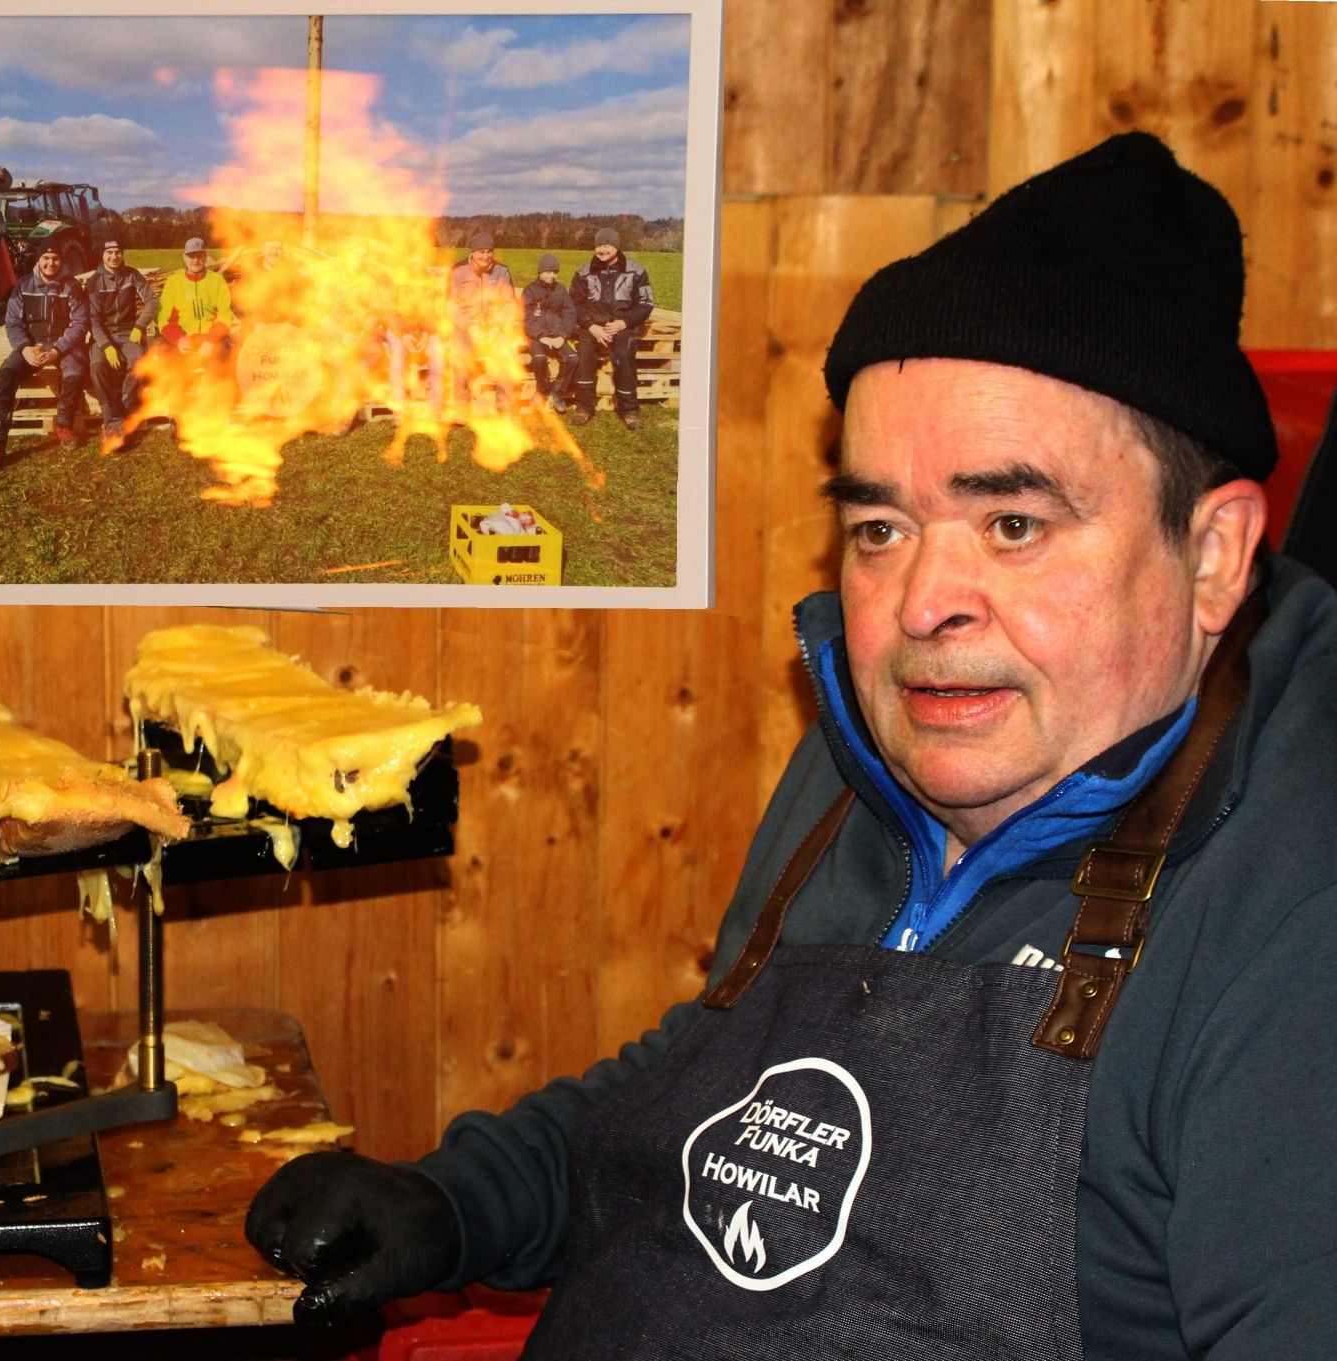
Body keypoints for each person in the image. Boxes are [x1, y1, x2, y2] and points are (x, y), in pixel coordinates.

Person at [245, 133, 1337, 1359]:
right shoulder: (879, 756)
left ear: (1212, 556)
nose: (922, 606)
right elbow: (717, 1087)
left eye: (1013, 523)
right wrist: (459, 1201)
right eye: (881, 528)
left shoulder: (1294, 918)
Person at [0, 238, 88, 465]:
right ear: (38, 260)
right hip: (31, 346)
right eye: (46, 258)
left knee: (74, 373)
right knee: (5, 377)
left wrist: (57, 350)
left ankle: (63, 426)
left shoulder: (72, 286)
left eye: (55, 258)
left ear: (62, 261)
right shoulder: (23, 285)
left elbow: (80, 323)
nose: (51, 263)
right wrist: (24, 348)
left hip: (63, 346)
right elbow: (13, 322)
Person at [569, 227, 653, 431]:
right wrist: (591, 326)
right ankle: (584, 407)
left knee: (624, 354)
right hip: (592, 326)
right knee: (584, 352)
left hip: (622, 325)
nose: (601, 250)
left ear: (616, 246)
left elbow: (645, 303)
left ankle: (629, 409)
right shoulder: (583, 272)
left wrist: (624, 323)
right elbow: (575, 303)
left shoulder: (636, 271)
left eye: (606, 245)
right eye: (598, 245)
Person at [85, 238, 157, 455]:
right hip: (103, 334)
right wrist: (106, 346)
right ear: (102, 255)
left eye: (117, 252)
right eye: (109, 252)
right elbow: (92, 320)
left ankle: (121, 411)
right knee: (97, 367)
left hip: (128, 332)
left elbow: (153, 301)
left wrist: (139, 326)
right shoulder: (94, 282)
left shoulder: (132, 275)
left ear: (122, 254)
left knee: (139, 361)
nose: (113, 256)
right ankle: (113, 424)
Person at [446, 230, 519, 414]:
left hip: (495, 327)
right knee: (461, 354)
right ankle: (461, 405)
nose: (486, 256)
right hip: (466, 327)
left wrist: (497, 327)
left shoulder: (501, 271)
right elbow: (451, 305)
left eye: (489, 251)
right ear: (472, 253)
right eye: (482, 252)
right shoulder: (458, 271)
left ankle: (504, 404)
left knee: (507, 350)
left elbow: (510, 304)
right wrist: (469, 327)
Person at [156, 236, 235, 365]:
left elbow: (225, 315)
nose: (195, 260)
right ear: (184, 257)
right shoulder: (173, 282)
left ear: (205, 257)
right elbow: (164, 319)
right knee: (164, 356)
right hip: (184, 337)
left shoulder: (217, 280)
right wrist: (179, 339)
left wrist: (211, 340)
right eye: (191, 256)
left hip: (210, 337)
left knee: (225, 356)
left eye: (199, 255)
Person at [521, 253, 577, 413]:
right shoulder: (530, 291)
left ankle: (557, 391)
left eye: (555, 272)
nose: (552, 275)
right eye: (548, 271)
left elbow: (570, 313)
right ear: (540, 272)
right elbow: (526, 318)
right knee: (539, 358)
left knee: (572, 359)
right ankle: (542, 389)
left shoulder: (561, 290)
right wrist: (541, 337)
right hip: (536, 336)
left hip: (557, 335)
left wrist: (562, 335)